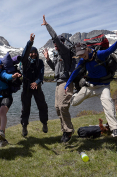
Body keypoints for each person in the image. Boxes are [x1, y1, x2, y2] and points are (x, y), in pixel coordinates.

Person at [64, 31, 117, 137]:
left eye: (82, 54)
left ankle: (115, 129)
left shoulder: (99, 55)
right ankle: (75, 94)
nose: (81, 56)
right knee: (74, 103)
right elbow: (75, 72)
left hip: (103, 87)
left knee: (108, 104)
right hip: (89, 87)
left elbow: (110, 50)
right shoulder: (82, 60)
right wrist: (67, 85)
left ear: (86, 49)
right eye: (79, 55)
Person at [41, 15, 76, 143]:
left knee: (63, 106)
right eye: (54, 43)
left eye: (57, 42)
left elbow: (54, 36)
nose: (55, 44)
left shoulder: (65, 52)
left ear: (61, 43)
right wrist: (48, 59)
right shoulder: (57, 55)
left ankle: (68, 131)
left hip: (66, 82)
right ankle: (64, 131)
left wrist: (47, 25)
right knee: (57, 107)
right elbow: (55, 68)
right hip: (58, 83)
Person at [20, 33, 48, 137]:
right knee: (25, 108)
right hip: (26, 88)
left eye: (34, 52)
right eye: (31, 52)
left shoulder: (40, 62)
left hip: (37, 87)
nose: (33, 54)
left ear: (37, 53)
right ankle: (24, 126)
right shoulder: (25, 61)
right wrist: (30, 42)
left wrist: (36, 83)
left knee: (42, 106)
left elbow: (41, 76)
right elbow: (24, 53)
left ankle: (44, 123)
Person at [0, 58, 21, 147]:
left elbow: (7, 76)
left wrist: (13, 76)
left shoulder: (3, 73)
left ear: (1, 66)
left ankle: (1, 132)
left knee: (3, 112)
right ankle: (3, 141)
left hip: (7, 97)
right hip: (0, 98)